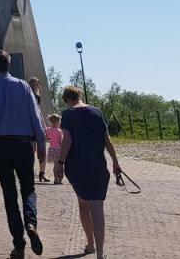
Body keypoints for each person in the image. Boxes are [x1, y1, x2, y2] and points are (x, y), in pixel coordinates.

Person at [0, 50, 46, 258]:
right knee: (28, 189)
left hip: (1, 145)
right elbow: (36, 117)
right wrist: (41, 144)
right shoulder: (24, 86)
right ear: (10, 64)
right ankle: (31, 223)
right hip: (23, 144)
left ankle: (19, 245)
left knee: (9, 195)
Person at [55, 86, 122, 259]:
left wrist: (60, 163)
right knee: (97, 208)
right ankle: (100, 253)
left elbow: (67, 141)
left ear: (67, 100)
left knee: (83, 204)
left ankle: (90, 244)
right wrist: (115, 162)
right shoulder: (98, 112)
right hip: (98, 166)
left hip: (77, 167)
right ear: (80, 96)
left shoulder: (68, 114)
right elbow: (107, 140)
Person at [28, 77, 47, 181]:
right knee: (34, 149)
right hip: (33, 126)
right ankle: (37, 172)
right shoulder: (30, 95)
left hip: (36, 125)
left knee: (39, 149)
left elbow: (38, 112)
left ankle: (41, 172)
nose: (36, 85)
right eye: (35, 83)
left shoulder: (37, 95)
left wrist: (44, 124)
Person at [46, 114, 64, 184]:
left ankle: (56, 178)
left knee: (55, 165)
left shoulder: (48, 129)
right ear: (57, 122)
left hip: (52, 149)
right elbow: (61, 142)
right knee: (58, 165)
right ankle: (57, 179)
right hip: (58, 150)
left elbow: (46, 137)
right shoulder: (59, 131)